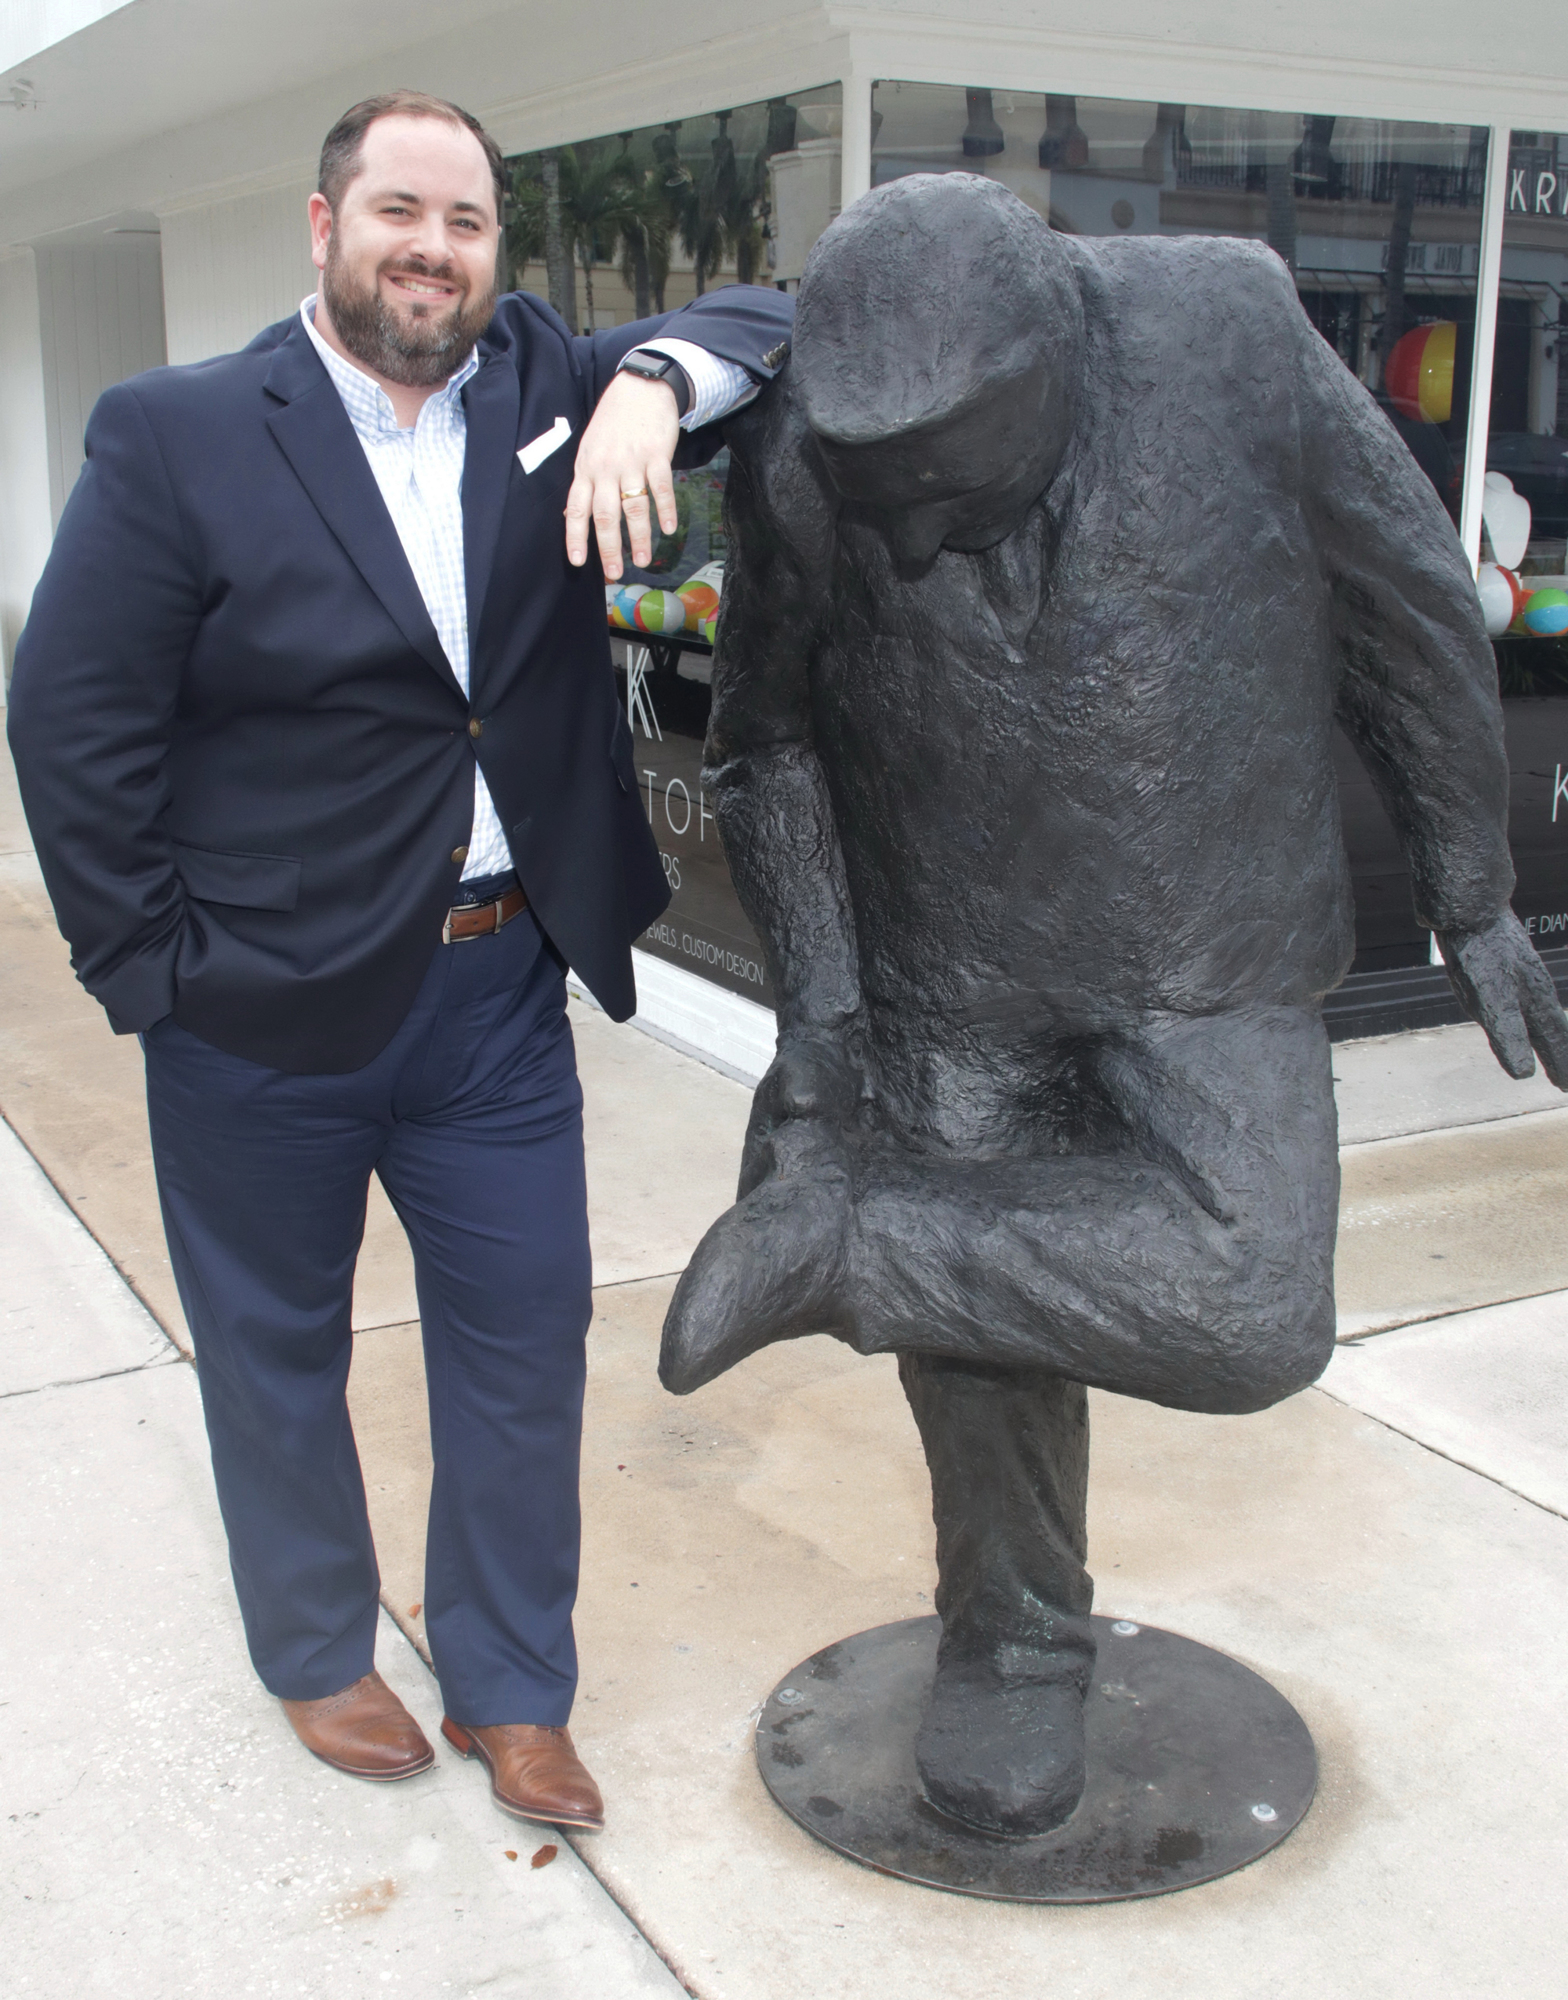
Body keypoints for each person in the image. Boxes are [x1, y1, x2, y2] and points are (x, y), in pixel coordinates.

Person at [659, 172, 1568, 1836]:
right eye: (883, 508)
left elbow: (1409, 600)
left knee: (1253, 1310)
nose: (911, 544)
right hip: (947, 974)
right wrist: (830, 1026)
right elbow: (766, 746)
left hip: (1203, 952)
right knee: (989, 1334)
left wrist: (1473, 884)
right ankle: (1012, 1643)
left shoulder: (1226, 332)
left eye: (945, 496)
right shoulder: (810, 455)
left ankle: (853, 1245)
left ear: (1051, 363)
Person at [7, 89, 792, 1831]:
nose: (433, 251)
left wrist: (655, 385)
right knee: (271, 1343)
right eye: (399, 215)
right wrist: (151, 972)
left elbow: (772, 321)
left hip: (494, 995)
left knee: (521, 1341)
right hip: (257, 1013)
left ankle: (515, 1684)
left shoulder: (543, 390)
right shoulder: (180, 433)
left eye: (467, 224)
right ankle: (316, 1649)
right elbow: (72, 727)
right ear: (324, 228)